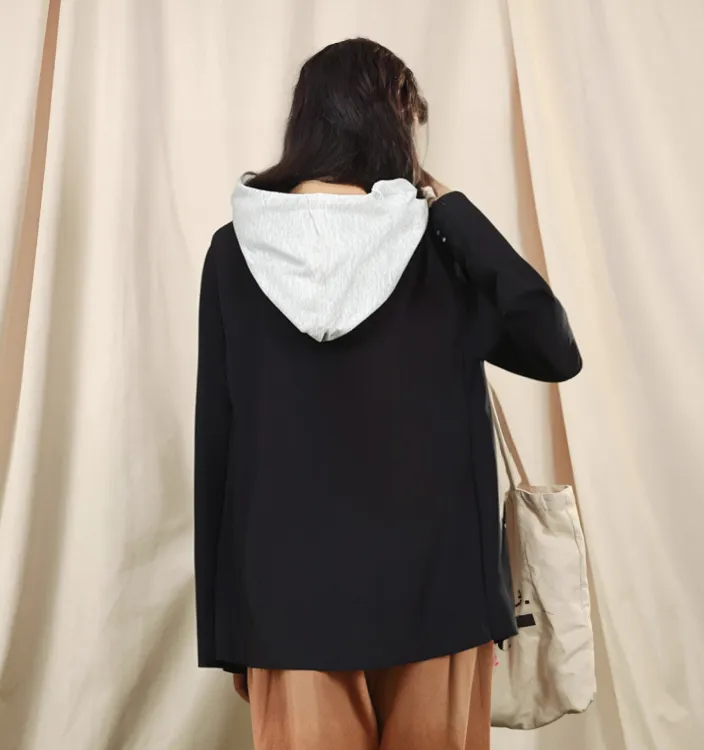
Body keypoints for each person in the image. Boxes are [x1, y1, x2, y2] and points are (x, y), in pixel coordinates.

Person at [194, 37, 581, 750]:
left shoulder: (234, 250)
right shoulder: (439, 246)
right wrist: (451, 207)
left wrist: (226, 630)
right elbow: (554, 349)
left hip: (286, 595)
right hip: (442, 587)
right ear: (397, 119)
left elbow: (218, 435)